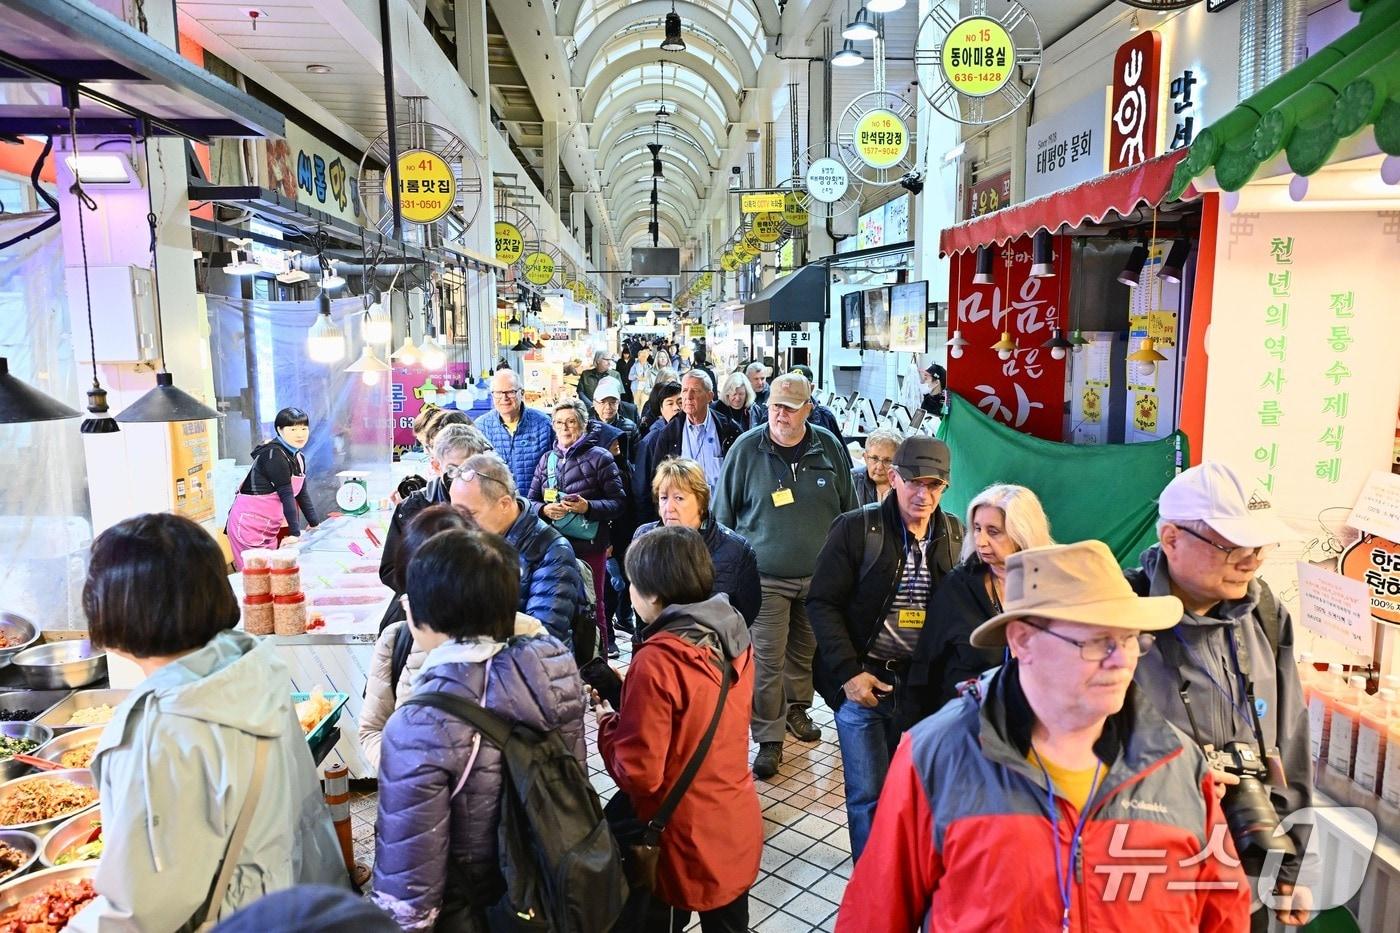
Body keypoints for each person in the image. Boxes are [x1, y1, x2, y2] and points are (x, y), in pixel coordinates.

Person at [838, 540, 1250, 932]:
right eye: (1096, 642)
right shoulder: (934, 757)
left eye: (1129, 639)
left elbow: (1223, 907)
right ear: (1022, 640)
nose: (1121, 661)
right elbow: (876, 913)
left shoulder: (1177, 761)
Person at [70, 513, 346, 931]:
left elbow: (142, 911)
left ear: (119, 607)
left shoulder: (157, 732)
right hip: (272, 904)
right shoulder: (251, 664)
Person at [1127, 461, 1313, 929]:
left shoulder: (1267, 616)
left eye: (1259, 545)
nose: (1251, 560)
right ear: (1171, 538)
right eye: (1231, 546)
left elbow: (1288, 748)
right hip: (1138, 882)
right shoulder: (1119, 620)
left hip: (1240, 885)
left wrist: (1287, 867)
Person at [371, 529, 585, 931]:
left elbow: (408, 894)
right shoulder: (554, 671)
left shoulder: (417, 726)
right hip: (550, 893)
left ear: (429, 611)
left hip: (475, 912)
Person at [595, 527, 762, 932]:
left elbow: (640, 773)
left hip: (682, 838)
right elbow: (698, 718)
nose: (629, 592)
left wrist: (606, 723)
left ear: (652, 594)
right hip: (733, 818)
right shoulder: (731, 632)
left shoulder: (658, 659)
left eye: (632, 583)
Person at [808, 436, 964, 859]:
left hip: (920, 690)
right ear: (893, 478)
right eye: (914, 482)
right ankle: (871, 890)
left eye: (934, 485)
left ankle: (902, 879)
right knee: (867, 795)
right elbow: (822, 602)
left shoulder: (952, 533)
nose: (923, 494)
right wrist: (849, 675)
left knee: (916, 791)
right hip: (865, 684)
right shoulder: (857, 529)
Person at [713, 372, 857, 779]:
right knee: (769, 658)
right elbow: (723, 517)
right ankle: (769, 736)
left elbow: (849, 510)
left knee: (804, 653)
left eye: (791, 409)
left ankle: (797, 710)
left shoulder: (827, 446)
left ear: (808, 410)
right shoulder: (746, 449)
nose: (781, 415)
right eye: (775, 406)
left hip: (818, 578)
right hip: (765, 578)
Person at [909, 483, 1054, 720]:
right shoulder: (957, 588)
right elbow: (925, 667)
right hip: (966, 727)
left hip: (1033, 729)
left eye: (993, 531)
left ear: (1022, 533)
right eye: (977, 529)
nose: (981, 541)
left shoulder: (1055, 587)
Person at [450, 452, 583, 645]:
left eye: (470, 513)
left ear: (504, 503)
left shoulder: (552, 550)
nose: (460, 522)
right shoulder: (468, 541)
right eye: (455, 512)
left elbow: (543, 637)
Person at [528, 398, 628, 654]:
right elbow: (530, 501)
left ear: (583, 424)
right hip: (555, 545)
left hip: (590, 545)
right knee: (559, 604)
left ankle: (600, 661)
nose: (565, 427)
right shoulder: (546, 460)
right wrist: (544, 509)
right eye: (559, 422)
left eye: (571, 421)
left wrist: (588, 507)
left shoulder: (601, 458)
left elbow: (618, 503)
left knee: (595, 605)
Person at [377, 423, 493, 628]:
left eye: (472, 467)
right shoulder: (413, 507)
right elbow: (391, 569)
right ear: (436, 465)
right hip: (422, 618)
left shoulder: (492, 502)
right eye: (453, 468)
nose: (463, 475)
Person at [632, 458, 761, 626]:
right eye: (663, 498)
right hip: (656, 646)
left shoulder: (736, 550)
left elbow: (746, 614)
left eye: (679, 498)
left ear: (701, 501)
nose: (668, 508)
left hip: (711, 648)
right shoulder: (644, 539)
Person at [634, 371, 740, 523]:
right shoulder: (669, 434)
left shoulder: (728, 430)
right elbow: (657, 482)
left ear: (710, 396)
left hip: (722, 519)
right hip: (682, 520)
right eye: (685, 390)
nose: (688, 397)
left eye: (695, 391)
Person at [226, 407, 322, 569]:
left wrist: (314, 523)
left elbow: (301, 493)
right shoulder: (273, 454)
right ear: (279, 430)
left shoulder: (298, 456)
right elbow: (287, 495)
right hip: (248, 526)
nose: (300, 434)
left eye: (304, 428)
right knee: (256, 579)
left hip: (268, 528)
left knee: (272, 577)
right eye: (293, 429)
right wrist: (294, 533)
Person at [474, 368, 555, 493]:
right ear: (492, 395)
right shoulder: (481, 427)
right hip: (496, 502)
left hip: (535, 504)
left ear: (521, 393)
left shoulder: (543, 423)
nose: (504, 398)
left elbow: (555, 466)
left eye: (510, 392)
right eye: (498, 393)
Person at [790, 365, 849, 459]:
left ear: (811, 388)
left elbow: (841, 455)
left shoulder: (825, 417)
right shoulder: (776, 416)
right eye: (792, 385)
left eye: (802, 385)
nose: (796, 390)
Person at [591, 376, 641, 464]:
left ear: (618, 403)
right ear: (594, 404)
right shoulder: (586, 428)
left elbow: (638, 458)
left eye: (613, 402)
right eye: (603, 402)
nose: (608, 407)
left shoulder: (630, 427)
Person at [851, 428, 903, 506]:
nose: (879, 467)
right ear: (865, 457)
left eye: (887, 461)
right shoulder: (851, 481)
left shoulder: (907, 486)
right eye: (874, 458)